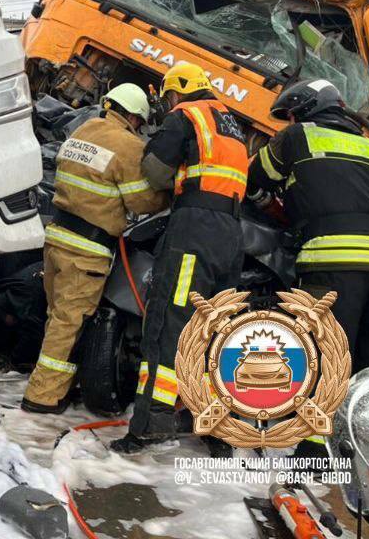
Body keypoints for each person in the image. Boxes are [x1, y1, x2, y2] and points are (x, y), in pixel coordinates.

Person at [111, 62, 248, 453]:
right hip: (231, 235)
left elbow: (155, 171)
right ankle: (219, 431)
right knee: (215, 329)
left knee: (169, 323)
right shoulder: (232, 124)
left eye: (169, 95)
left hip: (195, 230)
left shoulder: (186, 115)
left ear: (177, 91)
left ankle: (150, 425)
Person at [22, 83, 168, 414]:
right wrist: (169, 193)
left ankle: (57, 384)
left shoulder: (84, 130)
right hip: (87, 250)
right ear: (135, 116)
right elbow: (142, 202)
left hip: (57, 237)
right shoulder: (128, 145)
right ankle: (42, 397)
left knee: (57, 317)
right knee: (69, 322)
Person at [247, 79, 369, 373]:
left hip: (330, 263)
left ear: (303, 112)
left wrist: (277, 202)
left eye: (290, 116)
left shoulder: (296, 136)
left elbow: (256, 176)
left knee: (325, 362)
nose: (289, 122)